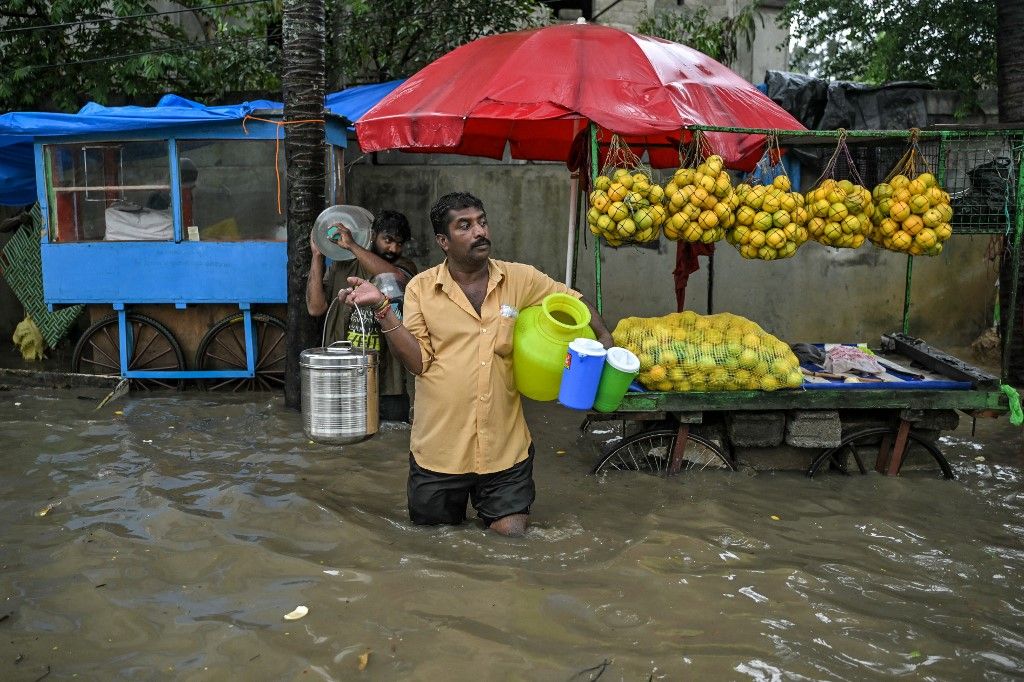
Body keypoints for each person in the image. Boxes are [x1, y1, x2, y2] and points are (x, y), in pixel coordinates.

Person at [340, 192, 612, 537]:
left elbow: (571, 300)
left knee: (510, 540)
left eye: (482, 221)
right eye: (464, 226)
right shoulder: (420, 290)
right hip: (439, 451)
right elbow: (417, 363)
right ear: (444, 241)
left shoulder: (520, 279)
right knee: (436, 545)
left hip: (504, 449)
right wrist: (382, 310)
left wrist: (605, 338)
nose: (479, 231)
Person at [306, 208, 418, 421]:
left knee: (390, 440)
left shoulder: (403, 267)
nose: (393, 248)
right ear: (372, 235)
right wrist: (317, 255)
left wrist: (352, 245)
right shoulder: (343, 266)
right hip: (346, 375)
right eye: (388, 239)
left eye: (399, 243)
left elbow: (390, 276)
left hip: (389, 384)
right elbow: (315, 308)